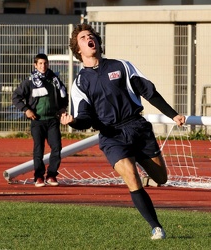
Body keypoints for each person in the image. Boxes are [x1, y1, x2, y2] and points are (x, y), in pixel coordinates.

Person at [60, 24, 186, 239]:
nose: (89, 38)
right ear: (78, 49)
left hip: (137, 127)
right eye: (83, 37)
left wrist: (172, 114)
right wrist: (73, 122)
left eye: (92, 36)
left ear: (98, 42)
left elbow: (149, 92)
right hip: (112, 136)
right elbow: (86, 117)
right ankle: (156, 227)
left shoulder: (121, 66)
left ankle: (143, 166)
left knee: (161, 178)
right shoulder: (80, 82)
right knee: (131, 175)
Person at [12, 53, 68, 187]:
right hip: (37, 120)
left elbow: (64, 95)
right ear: (35, 65)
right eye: (40, 64)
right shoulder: (30, 81)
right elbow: (16, 97)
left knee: (57, 147)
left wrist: (62, 108)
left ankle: (52, 175)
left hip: (52, 120)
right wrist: (26, 110)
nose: (43, 66)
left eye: (45, 63)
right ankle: (38, 176)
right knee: (39, 149)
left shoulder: (54, 80)